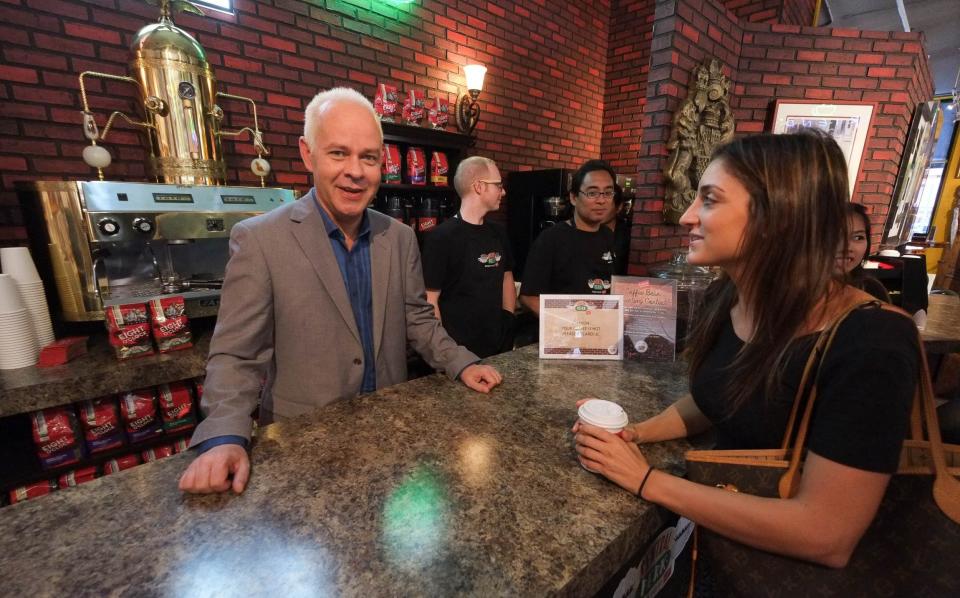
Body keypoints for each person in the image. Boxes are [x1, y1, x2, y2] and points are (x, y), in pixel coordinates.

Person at [573, 131, 919, 569]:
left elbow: (826, 534)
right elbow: (717, 397)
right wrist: (636, 433)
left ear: (777, 216)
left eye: (710, 200)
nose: (686, 216)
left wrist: (645, 479)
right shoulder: (727, 296)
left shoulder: (873, 341)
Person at [179, 87, 502, 494]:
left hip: (390, 432)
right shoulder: (260, 240)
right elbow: (236, 353)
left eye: (368, 157)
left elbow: (418, 319)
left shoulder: (399, 237)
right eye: (338, 153)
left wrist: (461, 362)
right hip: (301, 444)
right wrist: (224, 438)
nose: (356, 170)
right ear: (307, 154)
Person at [421, 156, 516, 358]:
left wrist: (508, 321)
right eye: (498, 185)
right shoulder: (442, 237)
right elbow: (431, 300)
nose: (503, 191)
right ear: (479, 187)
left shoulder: (498, 232)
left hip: (497, 347)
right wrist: (446, 352)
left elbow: (507, 277)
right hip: (458, 352)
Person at [519, 159, 618, 316]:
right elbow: (528, 298)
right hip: (563, 334)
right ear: (573, 198)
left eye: (607, 193)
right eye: (592, 193)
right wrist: (566, 321)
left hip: (599, 332)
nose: (601, 200)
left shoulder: (609, 236)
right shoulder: (552, 239)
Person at [839, 203, 890, 301]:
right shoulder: (802, 288)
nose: (848, 247)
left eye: (858, 237)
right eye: (836, 237)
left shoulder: (871, 290)